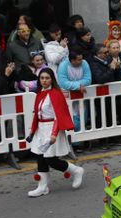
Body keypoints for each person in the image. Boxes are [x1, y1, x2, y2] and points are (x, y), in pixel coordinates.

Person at [26, 68, 84, 197]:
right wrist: (32, 131)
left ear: (52, 79)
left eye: (47, 78)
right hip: (40, 129)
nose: (44, 81)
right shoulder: (39, 93)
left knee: (51, 159)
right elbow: (37, 115)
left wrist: (53, 134)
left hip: (52, 128)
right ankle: (42, 187)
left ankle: (76, 170)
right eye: (42, 78)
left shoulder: (56, 94)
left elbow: (59, 115)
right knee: (40, 158)